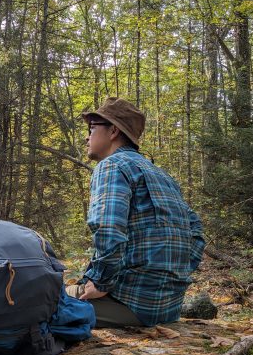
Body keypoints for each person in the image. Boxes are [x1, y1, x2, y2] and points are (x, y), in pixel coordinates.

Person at [66, 97, 205, 327]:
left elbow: (108, 228)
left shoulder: (111, 166)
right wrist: (173, 278)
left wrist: (100, 282)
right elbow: (197, 233)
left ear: (113, 131)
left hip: (129, 306)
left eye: (92, 128)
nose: (86, 136)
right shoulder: (162, 175)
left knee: (41, 301)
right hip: (169, 309)